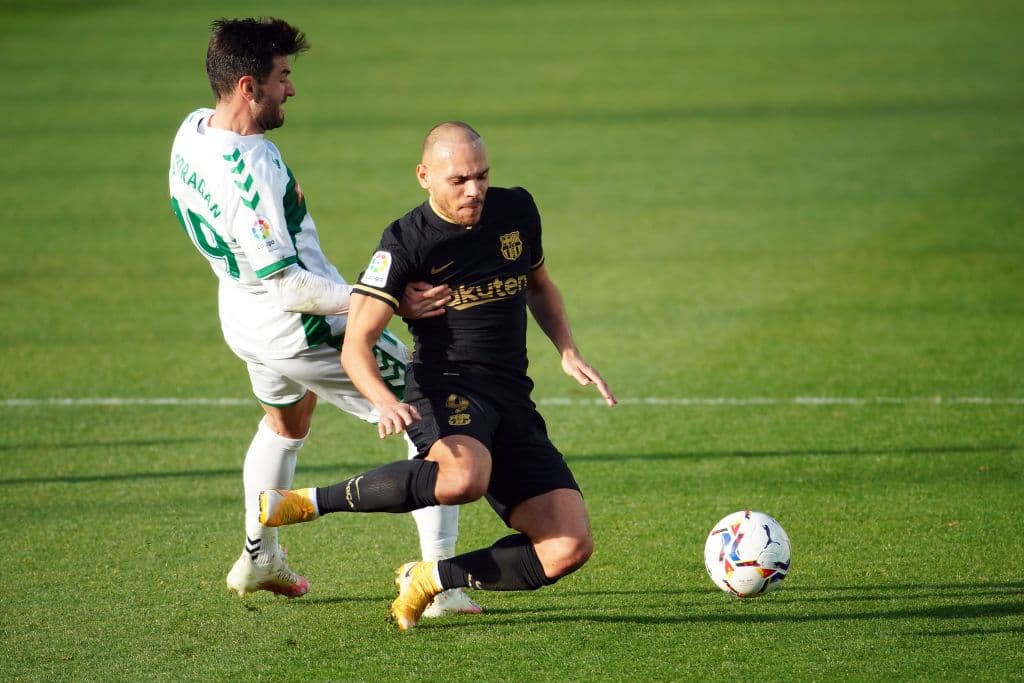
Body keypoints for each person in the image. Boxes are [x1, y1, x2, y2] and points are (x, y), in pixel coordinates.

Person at [167, 17, 480, 617]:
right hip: (300, 326)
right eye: (282, 77)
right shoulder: (249, 168)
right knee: (434, 425)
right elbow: (290, 286)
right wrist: (381, 297)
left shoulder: (192, 131)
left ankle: (259, 556)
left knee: (285, 424)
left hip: (242, 316)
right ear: (246, 86)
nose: (291, 89)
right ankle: (442, 586)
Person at [259, 121, 617, 631]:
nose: (475, 189)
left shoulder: (517, 209)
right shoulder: (405, 242)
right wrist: (383, 400)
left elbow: (540, 285)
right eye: (459, 180)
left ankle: (431, 578)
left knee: (568, 546)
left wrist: (567, 350)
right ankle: (309, 502)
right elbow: (357, 343)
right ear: (425, 176)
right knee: (463, 478)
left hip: (512, 396)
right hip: (444, 383)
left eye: (482, 176)